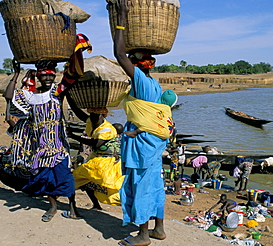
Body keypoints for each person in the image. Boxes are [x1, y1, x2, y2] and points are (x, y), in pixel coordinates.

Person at [113, 0, 175, 244]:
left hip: (141, 144)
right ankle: (158, 229)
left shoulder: (140, 81)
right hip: (153, 141)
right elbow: (155, 116)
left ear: (136, 65)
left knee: (140, 186)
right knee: (154, 184)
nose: (126, 60)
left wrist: (121, 17)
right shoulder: (154, 84)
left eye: (131, 60)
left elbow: (118, 52)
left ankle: (142, 235)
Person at [3, 59, 78, 222]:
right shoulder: (31, 96)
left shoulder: (58, 91)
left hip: (58, 144)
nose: (48, 79)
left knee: (65, 176)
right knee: (45, 178)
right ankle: (52, 206)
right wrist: (16, 74)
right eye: (44, 76)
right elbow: (8, 96)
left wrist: (75, 55)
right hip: (40, 146)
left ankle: (73, 207)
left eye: (51, 75)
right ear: (38, 77)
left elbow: (74, 76)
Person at [66, 94, 124, 211]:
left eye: (96, 115)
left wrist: (73, 136)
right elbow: (78, 112)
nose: (93, 117)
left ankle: (71, 208)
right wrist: (69, 96)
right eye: (92, 114)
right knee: (83, 181)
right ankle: (94, 206)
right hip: (98, 161)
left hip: (105, 163)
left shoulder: (106, 129)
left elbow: (95, 144)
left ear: (103, 116)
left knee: (111, 191)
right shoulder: (92, 122)